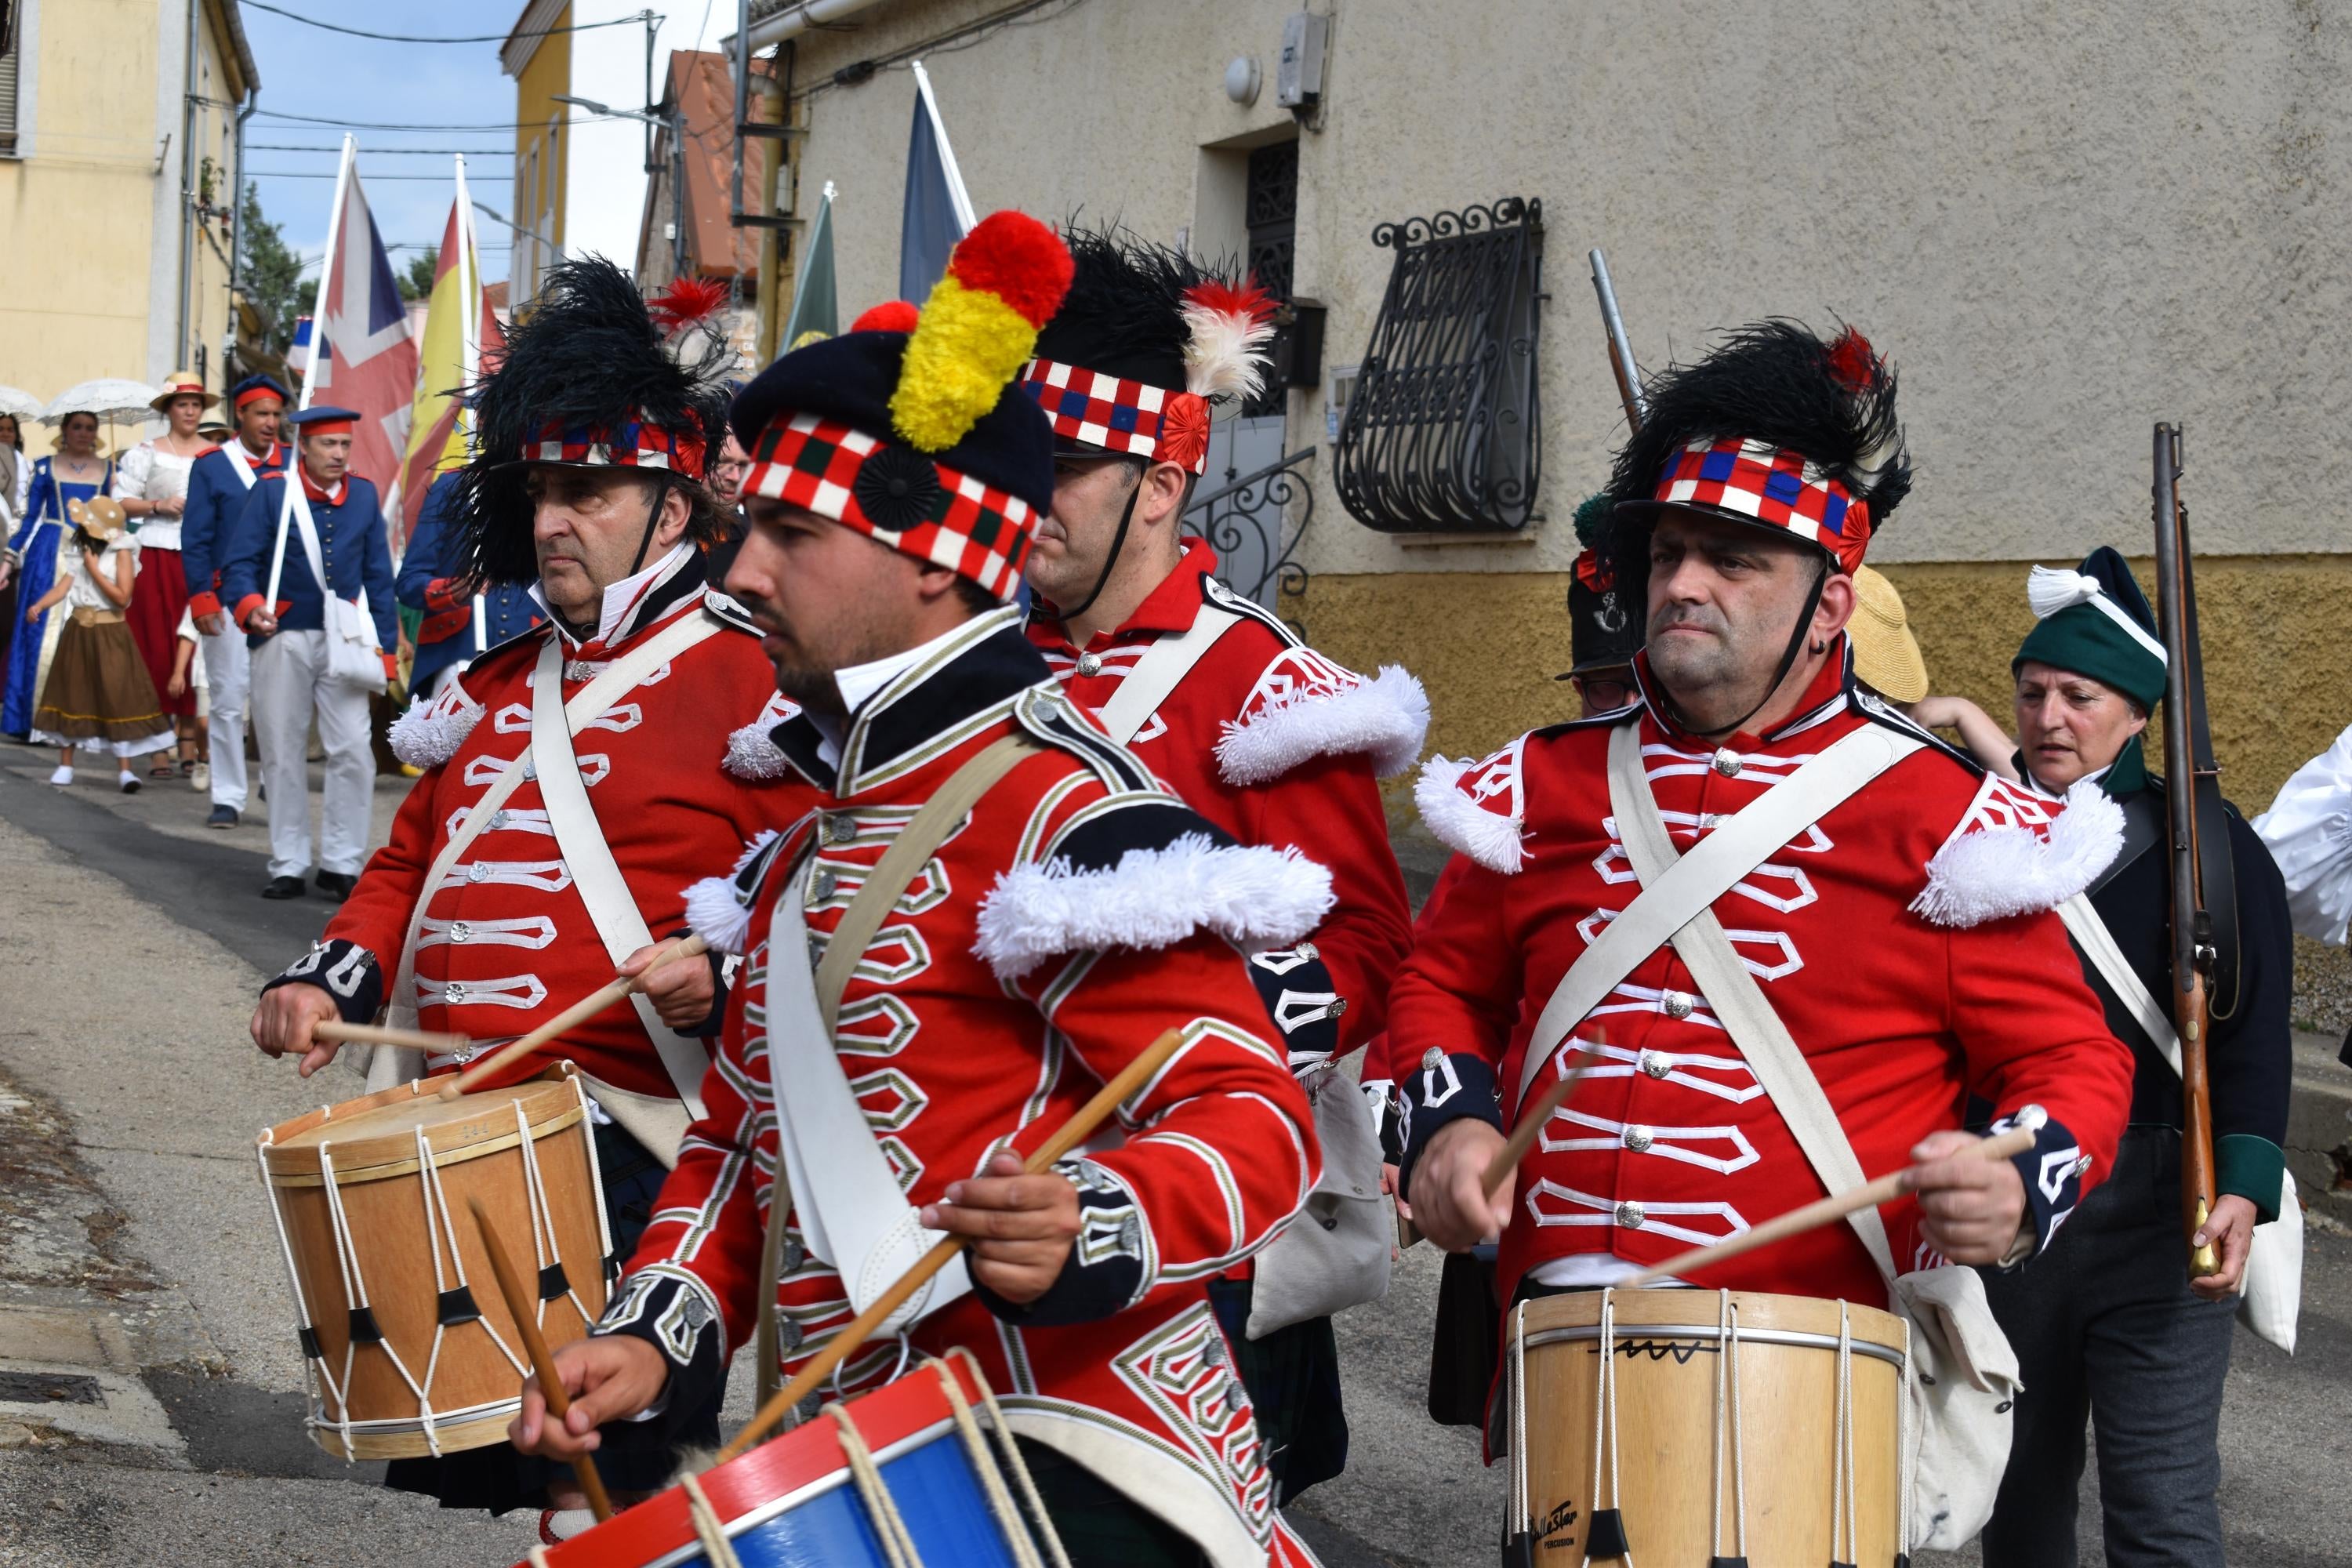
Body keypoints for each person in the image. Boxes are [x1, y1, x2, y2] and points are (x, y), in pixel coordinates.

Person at [514, 216, 1327, 1568]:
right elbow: (736, 1142)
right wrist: (652, 1335)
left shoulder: (1071, 816)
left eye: (786, 533)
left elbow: (1255, 1118)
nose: (741, 570)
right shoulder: (806, 841)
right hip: (869, 1460)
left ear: (941, 556)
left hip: (1076, 1464)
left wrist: (1101, 1216)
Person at [1396, 321, 2133, 1358]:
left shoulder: (1941, 813)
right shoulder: (1545, 780)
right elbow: (1444, 986)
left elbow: (2071, 1058)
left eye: (1733, 560)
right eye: (1668, 554)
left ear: (1831, 605)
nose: (1684, 584)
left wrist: (2020, 1177)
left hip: (1816, 1368)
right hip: (1555, 1347)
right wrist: (1450, 1124)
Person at [245, 256, 804, 1538]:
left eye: (590, 491)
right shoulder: (494, 688)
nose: (555, 519)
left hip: (645, 1144)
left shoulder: (748, 677)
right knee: (541, 1481)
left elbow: (812, 897)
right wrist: (321, 979)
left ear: (670, 505)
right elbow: (407, 862)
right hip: (487, 1132)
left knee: (600, 1482)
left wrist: (719, 973)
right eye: (541, 491)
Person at [1017, 227, 1421, 1502]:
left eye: (1066, 469)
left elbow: (1362, 944)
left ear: (1158, 482)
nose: (1027, 498)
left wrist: (1225, 1032)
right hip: (995, 1218)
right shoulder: (974, 662)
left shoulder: (1267, 691)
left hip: (1201, 1219)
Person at [1980, 547, 2293, 1568]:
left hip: (2166, 1207)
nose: (2050, 718)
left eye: (2080, 694)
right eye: (2032, 693)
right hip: (2015, 1204)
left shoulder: (2209, 845)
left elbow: (2253, 1036)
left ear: (2137, 713)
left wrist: (2243, 1187)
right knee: (2017, 1502)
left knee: (2161, 1515)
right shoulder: (1971, 841)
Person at [216, 405, 396, 898]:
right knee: (281, 751)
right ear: (305, 446)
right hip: (283, 634)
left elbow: (379, 576)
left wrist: (386, 646)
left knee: (355, 751)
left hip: (347, 640)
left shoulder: (363, 495)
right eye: (328, 445)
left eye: (345, 445)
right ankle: (289, 862)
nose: (339, 454)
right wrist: (251, 607)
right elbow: (238, 564)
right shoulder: (275, 491)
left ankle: (342, 862)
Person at [182, 374, 287, 827]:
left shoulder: (294, 463)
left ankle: (276, 781)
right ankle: (227, 795)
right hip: (226, 598)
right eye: (261, 414)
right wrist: (201, 597)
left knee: (279, 700)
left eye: (276, 415)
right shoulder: (212, 466)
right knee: (227, 699)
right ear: (240, 415)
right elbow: (197, 537)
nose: (270, 423)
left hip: (281, 601)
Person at [23, 495, 174, 788]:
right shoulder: (80, 550)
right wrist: (40, 606)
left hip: (110, 632)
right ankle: (66, 763)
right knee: (71, 691)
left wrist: (94, 570)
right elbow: (64, 586)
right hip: (79, 628)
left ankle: (125, 769)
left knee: (117, 694)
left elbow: (122, 597)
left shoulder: (122, 552)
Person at [113, 371, 214, 779]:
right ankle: (157, 745)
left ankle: (188, 742)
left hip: (199, 556)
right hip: (156, 554)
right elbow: (120, 500)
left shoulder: (216, 454)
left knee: (192, 649)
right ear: (169, 411)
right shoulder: (147, 451)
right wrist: (157, 505)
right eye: (182, 404)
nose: (189, 411)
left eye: (195, 405)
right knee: (155, 644)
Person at [2, 410, 115, 739]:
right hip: (49, 554)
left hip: (91, 553)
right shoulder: (44, 467)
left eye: (90, 428)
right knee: (39, 631)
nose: (83, 433)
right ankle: (36, 718)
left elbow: (115, 518)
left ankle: (79, 720)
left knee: (87, 630)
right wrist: (7, 562)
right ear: (65, 430)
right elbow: (26, 518)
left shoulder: (110, 471)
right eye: (77, 427)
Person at [397, 468, 543, 699]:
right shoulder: (452, 485)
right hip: (459, 654)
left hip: (531, 655)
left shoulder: (546, 482)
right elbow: (409, 583)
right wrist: (454, 590)